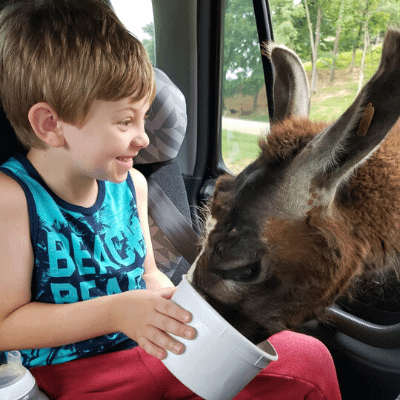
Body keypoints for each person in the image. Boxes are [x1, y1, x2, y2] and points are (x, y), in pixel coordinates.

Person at [0, 0, 342, 399]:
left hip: (148, 350)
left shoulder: (131, 186)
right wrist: (117, 312)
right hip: (73, 377)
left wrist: (172, 304)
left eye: (145, 118)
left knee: (308, 360)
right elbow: (7, 323)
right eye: (125, 121)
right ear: (50, 125)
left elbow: (146, 273)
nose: (144, 138)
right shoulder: (13, 199)